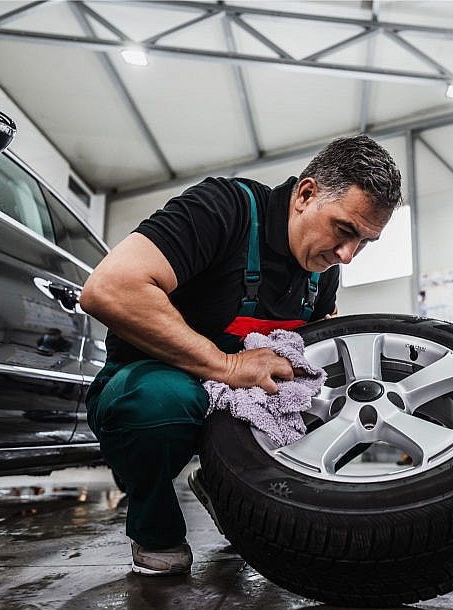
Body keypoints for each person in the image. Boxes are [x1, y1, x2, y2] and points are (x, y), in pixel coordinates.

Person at [79, 135, 402, 576]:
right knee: (159, 402)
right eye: (344, 230)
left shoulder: (322, 271)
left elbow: (317, 357)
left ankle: (222, 484)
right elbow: (109, 288)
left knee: (337, 407)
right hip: (151, 379)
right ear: (305, 195)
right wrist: (227, 366)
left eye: (365, 242)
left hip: (245, 401)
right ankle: (154, 524)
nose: (348, 255)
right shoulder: (224, 210)